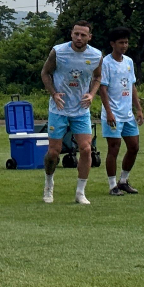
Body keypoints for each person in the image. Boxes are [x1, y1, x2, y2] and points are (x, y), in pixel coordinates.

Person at [40, 20, 103, 205]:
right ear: (71, 34)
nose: (79, 38)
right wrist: (53, 93)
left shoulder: (96, 55)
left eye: (83, 35)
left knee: (86, 149)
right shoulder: (58, 51)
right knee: (54, 152)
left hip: (81, 110)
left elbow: (98, 76)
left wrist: (91, 94)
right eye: (76, 34)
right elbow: (45, 73)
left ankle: (80, 192)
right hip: (59, 109)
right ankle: (49, 185)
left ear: (89, 37)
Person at [98, 26, 142, 196]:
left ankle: (123, 181)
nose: (124, 45)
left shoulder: (129, 62)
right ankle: (112, 185)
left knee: (134, 147)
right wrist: (109, 112)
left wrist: (138, 108)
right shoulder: (106, 63)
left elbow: (131, 85)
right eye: (121, 42)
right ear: (112, 44)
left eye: (126, 42)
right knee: (114, 148)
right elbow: (103, 89)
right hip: (114, 113)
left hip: (127, 114)